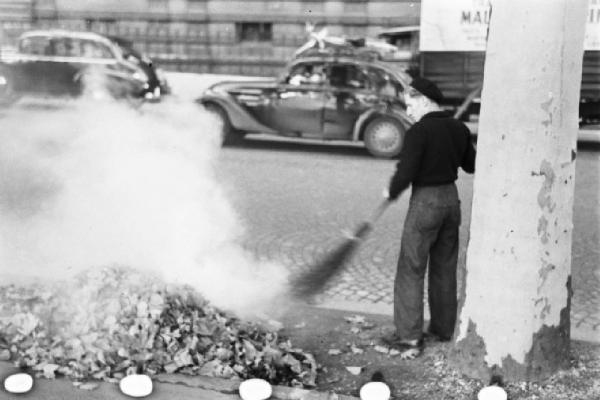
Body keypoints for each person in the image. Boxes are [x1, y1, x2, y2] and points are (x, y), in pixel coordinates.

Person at [382, 77, 476, 359]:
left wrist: (391, 190)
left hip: (425, 202)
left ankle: (409, 337)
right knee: (444, 266)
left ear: (423, 100)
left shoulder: (419, 132)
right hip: (451, 200)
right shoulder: (459, 127)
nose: (408, 110)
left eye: (410, 104)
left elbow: (407, 170)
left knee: (411, 267)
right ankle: (444, 329)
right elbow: (471, 165)